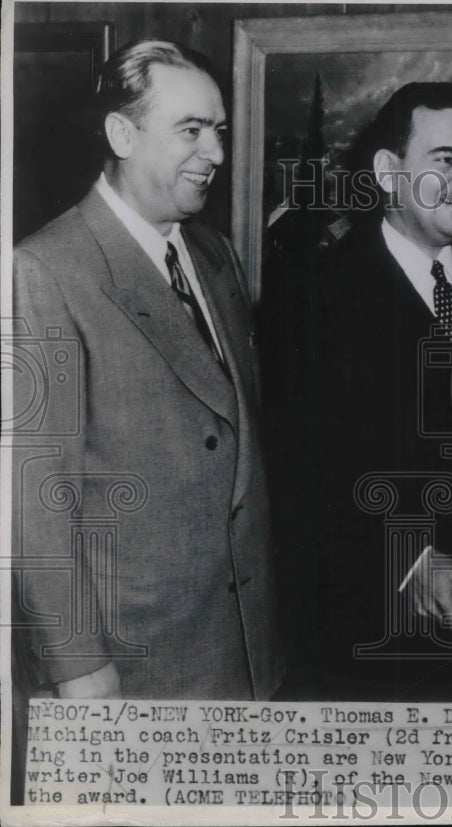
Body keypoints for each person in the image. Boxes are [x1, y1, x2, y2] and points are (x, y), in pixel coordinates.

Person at [12, 40, 282, 700]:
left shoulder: (214, 255)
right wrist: (79, 668)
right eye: (190, 130)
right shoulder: (45, 270)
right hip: (140, 670)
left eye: (218, 131)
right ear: (122, 133)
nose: (216, 153)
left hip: (247, 651)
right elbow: (34, 500)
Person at [269, 82, 452, 698]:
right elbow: (302, 467)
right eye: (445, 160)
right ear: (389, 173)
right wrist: (411, 556)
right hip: (368, 636)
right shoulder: (313, 292)